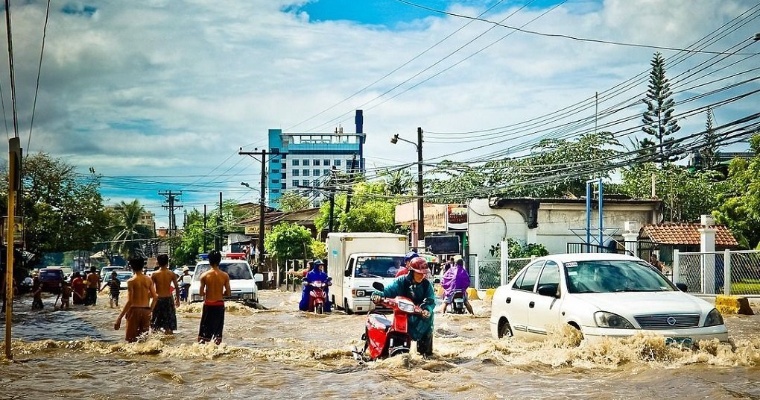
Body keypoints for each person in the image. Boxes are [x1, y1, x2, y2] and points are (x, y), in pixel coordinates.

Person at [371, 257, 435, 357]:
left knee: (426, 355)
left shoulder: (427, 285)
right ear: (412, 271)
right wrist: (378, 295)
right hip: (404, 316)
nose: (422, 276)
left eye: (424, 273)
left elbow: (430, 300)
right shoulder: (401, 282)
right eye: (419, 273)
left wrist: (427, 309)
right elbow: (388, 291)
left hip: (422, 318)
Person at [114, 256, 157, 343]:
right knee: (143, 340)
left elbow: (130, 301)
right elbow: (155, 297)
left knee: (131, 341)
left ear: (131, 267)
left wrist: (119, 318)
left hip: (134, 311)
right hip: (146, 311)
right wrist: (150, 310)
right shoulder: (148, 279)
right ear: (142, 266)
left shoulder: (131, 281)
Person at [197, 250, 231, 345]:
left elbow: (200, 293)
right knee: (217, 333)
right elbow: (228, 293)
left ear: (209, 261)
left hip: (208, 304)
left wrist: (208, 292)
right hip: (219, 305)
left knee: (203, 334)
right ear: (220, 260)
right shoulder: (225, 276)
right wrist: (220, 293)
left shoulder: (204, 275)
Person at [151, 254, 180, 334]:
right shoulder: (171, 274)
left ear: (158, 262)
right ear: (167, 262)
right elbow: (177, 288)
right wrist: (178, 300)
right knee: (169, 326)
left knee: (155, 325)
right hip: (168, 299)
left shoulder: (154, 274)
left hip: (158, 299)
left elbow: (151, 289)